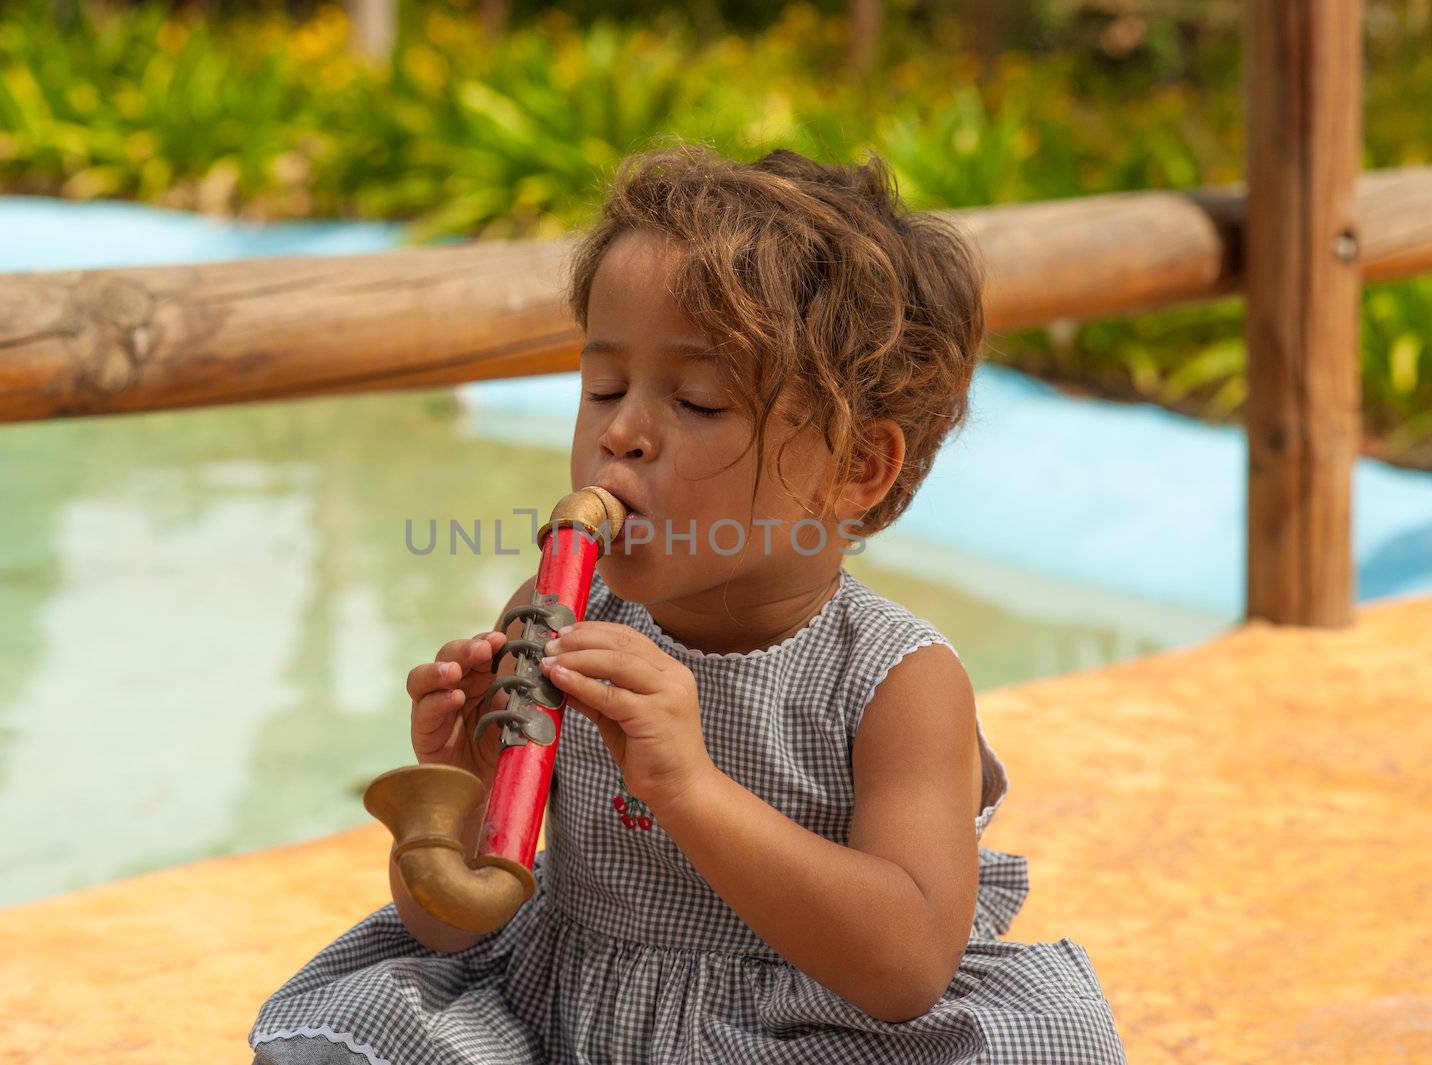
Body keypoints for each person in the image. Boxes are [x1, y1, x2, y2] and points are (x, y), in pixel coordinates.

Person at [248, 141, 1126, 1063]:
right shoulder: (557, 618)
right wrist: (461, 794)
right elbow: (450, 929)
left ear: (855, 467)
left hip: (791, 1033)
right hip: (562, 1009)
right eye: (603, 388)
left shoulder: (897, 683)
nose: (620, 434)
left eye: (699, 401)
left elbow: (906, 965)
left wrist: (688, 786)